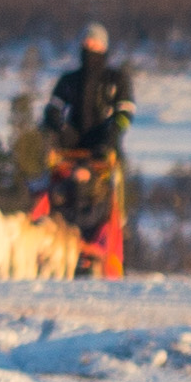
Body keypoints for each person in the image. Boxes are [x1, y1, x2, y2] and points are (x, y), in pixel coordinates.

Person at [36, 25, 134, 269]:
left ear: (104, 47)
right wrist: (56, 123)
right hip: (69, 151)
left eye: (95, 44)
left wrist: (110, 138)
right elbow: (53, 110)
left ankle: (105, 244)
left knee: (106, 198)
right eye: (86, 43)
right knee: (55, 191)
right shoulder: (69, 81)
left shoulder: (116, 80)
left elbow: (125, 114)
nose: (90, 48)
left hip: (103, 150)